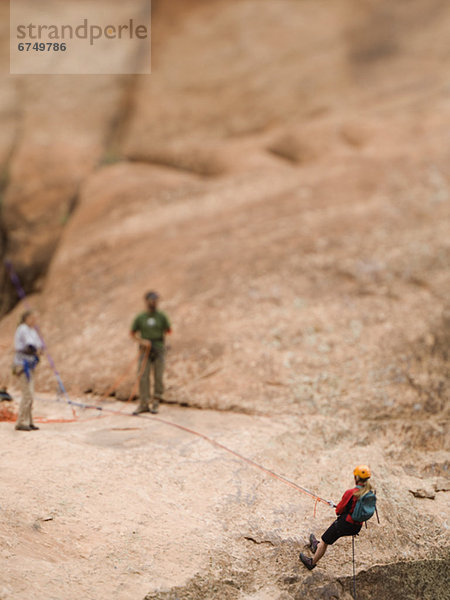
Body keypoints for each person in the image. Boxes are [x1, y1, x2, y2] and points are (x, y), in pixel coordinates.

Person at [300, 465, 374, 570]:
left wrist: (338, 508)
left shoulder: (351, 493)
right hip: (356, 527)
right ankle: (317, 546)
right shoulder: (369, 493)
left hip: (345, 524)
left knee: (325, 540)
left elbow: (339, 510)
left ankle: (312, 562)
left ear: (356, 478)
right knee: (328, 537)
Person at [130, 291, 171, 415]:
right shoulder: (141, 317)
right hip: (145, 349)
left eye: (156, 300)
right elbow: (133, 334)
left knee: (158, 375)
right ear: (146, 301)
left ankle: (156, 401)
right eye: (151, 300)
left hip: (158, 348)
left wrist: (161, 342)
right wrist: (142, 341)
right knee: (143, 376)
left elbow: (168, 330)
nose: (153, 302)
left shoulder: (162, 316)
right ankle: (143, 403)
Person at [13, 310, 43, 431]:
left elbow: (38, 344)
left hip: (31, 365)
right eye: (33, 318)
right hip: (22, 364)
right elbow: (29, 345)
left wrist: (39, 349)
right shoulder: (23, 328)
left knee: (31, 394)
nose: (35, 320)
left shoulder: (33, 330)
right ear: (27, 318)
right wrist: (35, 349)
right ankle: (21, 422)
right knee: (27, 393)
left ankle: (29, 421)